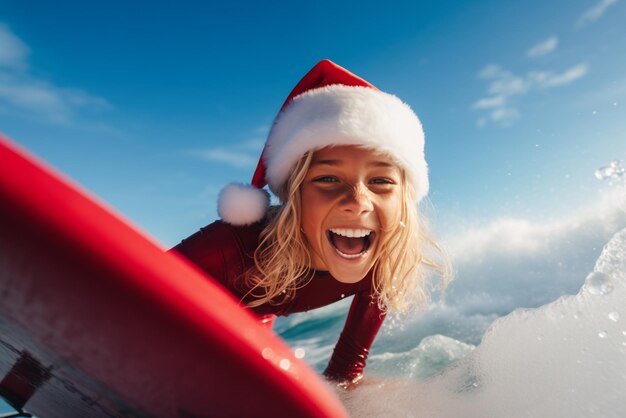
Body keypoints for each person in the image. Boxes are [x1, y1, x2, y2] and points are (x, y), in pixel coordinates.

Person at [170, 59, 449, 386]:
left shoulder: (378, 261)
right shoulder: (234, 244)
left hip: (254, 329)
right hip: (184, 323)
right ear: (294, 195)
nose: (358, 203)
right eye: (328, 178)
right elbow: (130, 288)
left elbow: (346, 371)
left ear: (404, 202)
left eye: (381, 182)